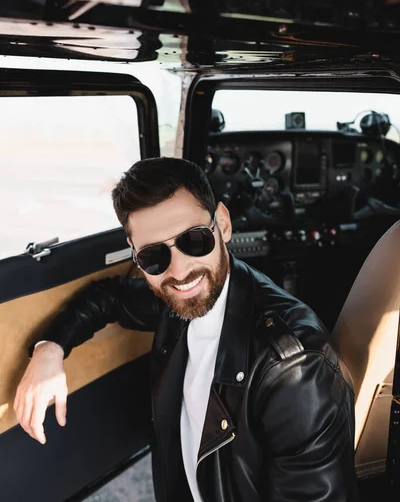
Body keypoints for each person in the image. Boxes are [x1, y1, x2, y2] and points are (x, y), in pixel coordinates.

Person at [14, 157, 359, 502]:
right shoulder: (175, 303)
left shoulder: (293, 369)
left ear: (222, 224)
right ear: (135, 255)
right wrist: (50, 349)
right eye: (153, 257)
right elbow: (109, 298)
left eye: (193, 241)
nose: (179, 271)